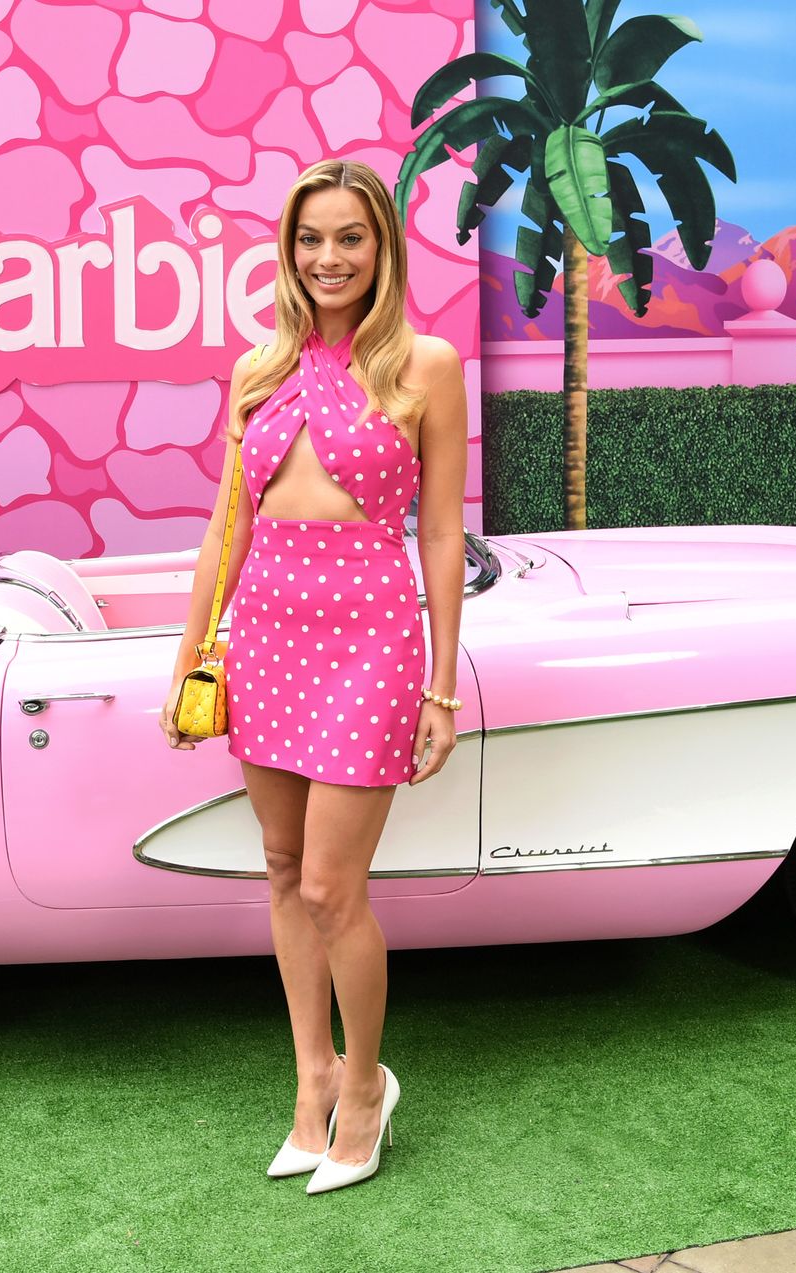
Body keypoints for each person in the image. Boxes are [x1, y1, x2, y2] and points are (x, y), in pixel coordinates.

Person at [159, 158, 469, 1193]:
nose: (328, 257)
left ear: (382, 248)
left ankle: (369, 1086)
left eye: (350, 237)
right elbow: (225, 528)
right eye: (310, 239)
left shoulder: (426, 363)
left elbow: (437, 534)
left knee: (337, 886)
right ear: (287, 251)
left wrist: (437, 685)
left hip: (371, 638)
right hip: (267, 636)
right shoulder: (260, 368)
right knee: (283, 871)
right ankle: (311, 1082)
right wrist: (191, 652)